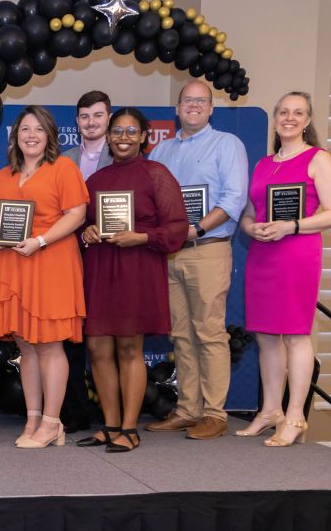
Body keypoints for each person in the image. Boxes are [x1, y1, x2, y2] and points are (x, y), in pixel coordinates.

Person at [78, 108, 187, 452]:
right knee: (97, 348)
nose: (123, 138)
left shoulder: (157, 174)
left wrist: (140, 237)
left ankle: (130, 428)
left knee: (129, 348)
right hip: (100, 268)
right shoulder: (95, 180)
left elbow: (176, 228)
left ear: (143, 137)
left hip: (137, 269)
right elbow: (80, 223)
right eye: (117, 132)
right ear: (108, 137)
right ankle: (110, 426)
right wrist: (88, 232)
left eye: (131, 132)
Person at [146, 81, 249, 439]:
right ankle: (188, 409)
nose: (193, 106)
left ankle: (215, 413)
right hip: (171, 254)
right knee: (180, 335)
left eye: (201, 101)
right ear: (177, 108)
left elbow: (233, 199)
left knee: (209, 332)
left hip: (207, 248)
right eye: (187, 100)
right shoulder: (160, 153)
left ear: (211, 109)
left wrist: (198, 230)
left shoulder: (227, 145)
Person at [0, 105, 88, 449]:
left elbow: (77, 214)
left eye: (38, 129)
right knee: (26, 346)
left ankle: (52, 422)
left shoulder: (63, 168)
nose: (30, 135)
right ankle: (33, 418)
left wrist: (41, 240)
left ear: (49, 136)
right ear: (15, 136)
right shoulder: (3, 176)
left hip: (51, 259)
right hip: (14, 263)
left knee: (50, 344)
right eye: (24, 129)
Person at [240, 91, 331, 446]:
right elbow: (250, 214)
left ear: (308, 121)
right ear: (275, 117)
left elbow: (329, 212)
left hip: (297, 254)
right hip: (262, 255)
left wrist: (290, 226)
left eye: (298, 113)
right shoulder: (263, 163)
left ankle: (295, 416)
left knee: (295, 334)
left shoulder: (318, 159)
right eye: (283, 111)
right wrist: (251, 229)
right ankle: (270, 411)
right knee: (265, 336)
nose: (289, 118)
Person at [60, 90, 113, 433]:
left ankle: (117, 415)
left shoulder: (125, 156)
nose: (91, 122)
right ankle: (75, 410)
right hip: (71, 255)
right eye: (84, 116)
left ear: (109, 117)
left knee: (110, 335)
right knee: (72, 335)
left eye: (97, 115)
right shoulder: (63, 159)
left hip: (113, 256)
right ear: (77, 121)